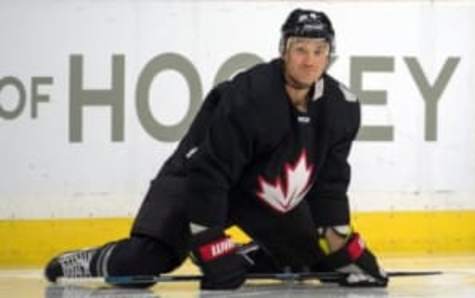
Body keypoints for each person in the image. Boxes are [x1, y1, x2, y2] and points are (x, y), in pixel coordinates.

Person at [45, 8, 388, 290]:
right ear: (284, 50)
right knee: (144, 263)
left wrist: (345, 250)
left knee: (313, 258)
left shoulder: (342, 106)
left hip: (259, 190)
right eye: (300, 49)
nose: (309, 61)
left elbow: (328, 187)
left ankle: (249, 254)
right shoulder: (249, 97)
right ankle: (88, 260)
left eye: (319, 50)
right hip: (196, 178)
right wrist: (209, 244)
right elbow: (209, 174)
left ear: (330, 55)